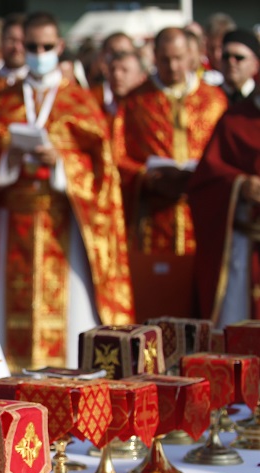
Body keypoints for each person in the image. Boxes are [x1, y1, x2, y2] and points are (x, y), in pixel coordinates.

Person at [0, 12, 134, 371]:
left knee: (69, 321)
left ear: (60, 47)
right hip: (12, 221)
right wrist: (8, 155)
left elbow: (105, 171)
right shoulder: (1, 101)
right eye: (33, 46)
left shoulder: (81, 102)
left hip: (64, 222)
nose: (39, 52)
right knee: (10, 317)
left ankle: (67, 386)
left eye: (46, 46)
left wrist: (61, 163)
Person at [114, 28, 227, 257]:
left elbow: (226, 155)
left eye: (178, 58)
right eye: (165, 59)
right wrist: (145, 177)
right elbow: (116, 155)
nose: (173, 66)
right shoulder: (135, 102)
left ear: (190, 56)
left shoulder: (214, 101)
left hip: (202, 214)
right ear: (154, 56)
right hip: (151, 216)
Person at [188, 88, 260, 325]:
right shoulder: (234, 121)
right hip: (243, 245)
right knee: (237, 327)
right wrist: (240, 185)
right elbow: (206, 179)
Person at [90, 32, 137, 116]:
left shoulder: (149, 100)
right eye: (113, 54)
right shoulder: (92, 99)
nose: (117, 74)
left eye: (124, 53)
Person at [220, 30, 259, 104]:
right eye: (226, 56)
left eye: (239, 57)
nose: (231, 62)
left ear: (255, 64)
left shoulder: (257, 100)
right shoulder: (208, 97)